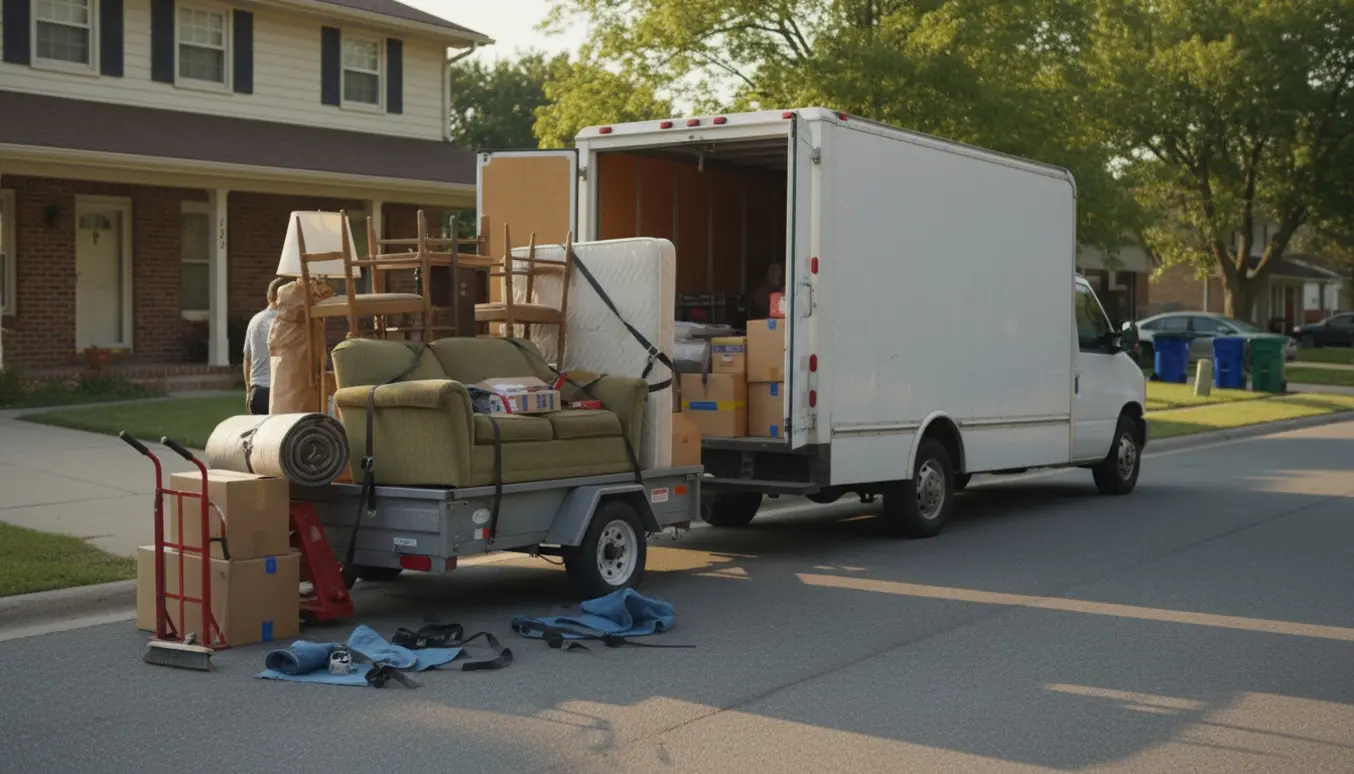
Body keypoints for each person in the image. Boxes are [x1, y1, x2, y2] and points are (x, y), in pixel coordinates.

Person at [243, 277, 288, 415]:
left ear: (269, 296)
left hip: (258, 392)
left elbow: (247, 359)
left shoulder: (255, 321)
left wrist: (248, 390)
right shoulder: (287, 322)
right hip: (280, 392)